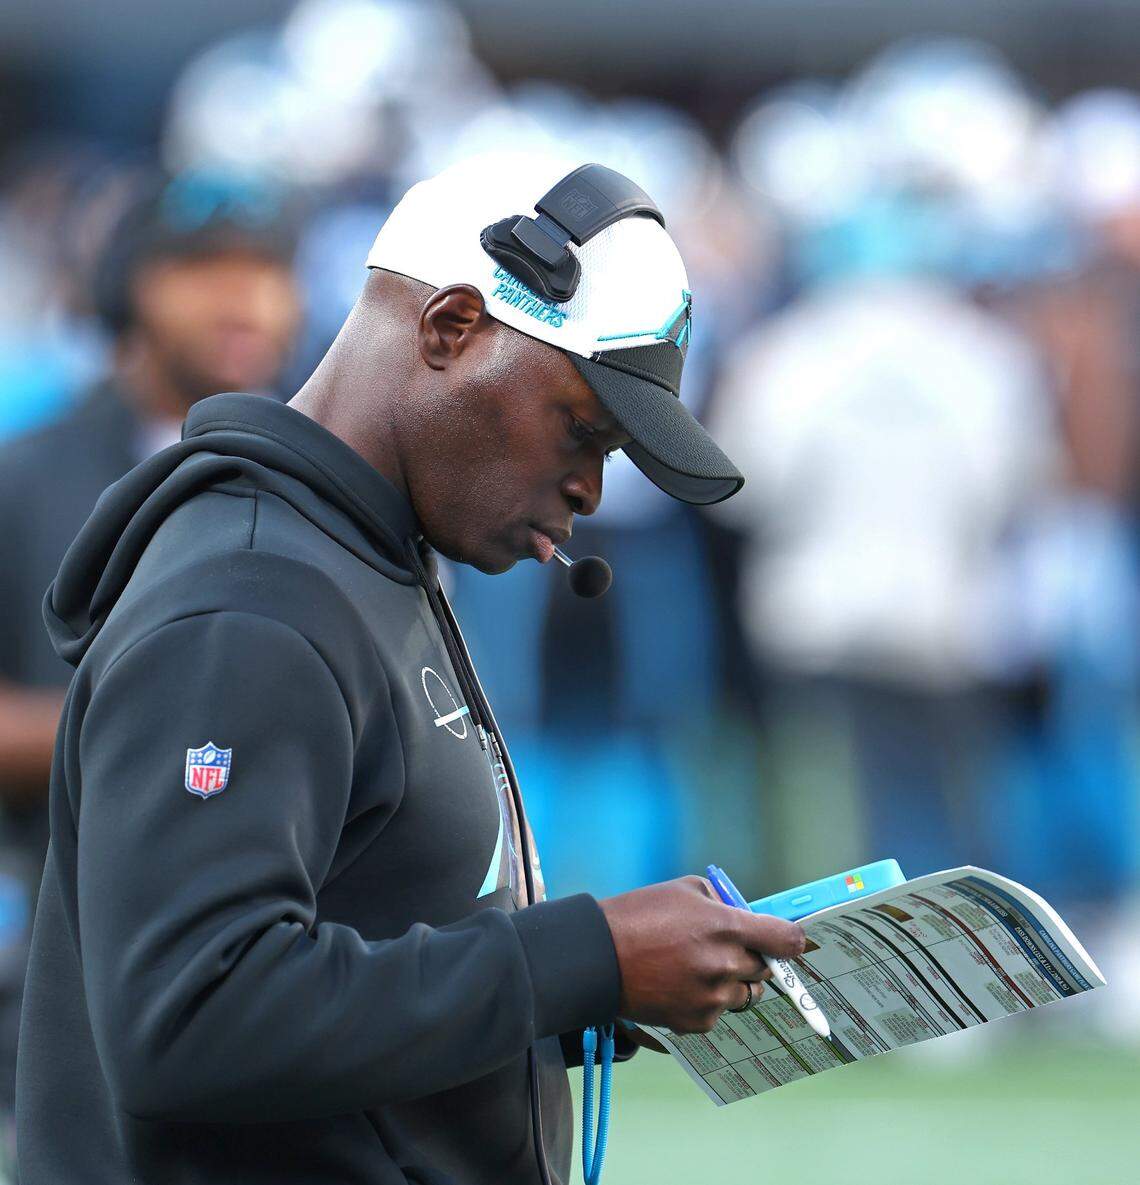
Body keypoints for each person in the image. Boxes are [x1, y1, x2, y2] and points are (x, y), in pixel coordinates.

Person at [15, 157, 806, 1185]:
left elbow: (367, 947)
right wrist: (579, 957)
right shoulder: (251, 600)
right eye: (582, 428)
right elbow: (193, 1017)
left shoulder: (367, 555)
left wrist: (590, 991)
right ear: (449, 330)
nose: (591, 487)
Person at [0, 172, 301, 1135]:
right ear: (129, 287)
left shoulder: (331, 468)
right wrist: (180, 736)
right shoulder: (28, 471)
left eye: (265, 269)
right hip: (71, 946)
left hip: (294, 965)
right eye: (202, 268)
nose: (241, 297)